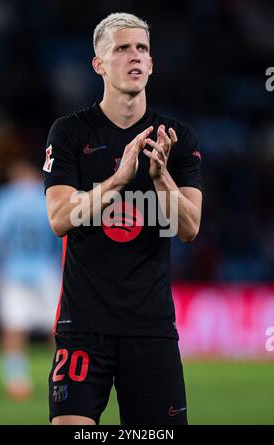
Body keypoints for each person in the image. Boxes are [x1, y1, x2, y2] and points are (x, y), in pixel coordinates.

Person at [44, 12, 202, 425]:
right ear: (98, 64)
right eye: (122, 48)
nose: (135, 57)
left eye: (143, 49)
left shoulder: (177, 138)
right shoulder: (70, 133)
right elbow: (60, 218)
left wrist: (160, 177)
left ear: (151, 64)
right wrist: (118, 179)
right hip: (83, 326)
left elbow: (189, 228)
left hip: (150, 328)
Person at [0, 158, 61, 400]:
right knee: (56, 329)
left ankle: (17, 382)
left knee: (13, 327)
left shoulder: (5, 198)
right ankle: (60, 378)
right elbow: (59, 231)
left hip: (12, 270)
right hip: (47, 269)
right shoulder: (46, 195)